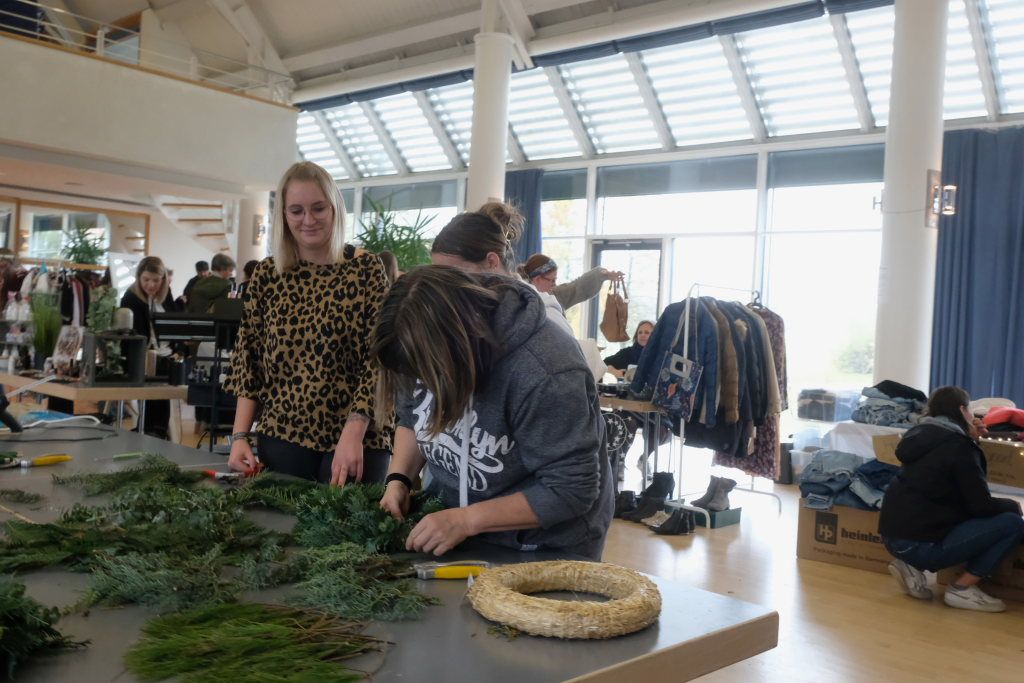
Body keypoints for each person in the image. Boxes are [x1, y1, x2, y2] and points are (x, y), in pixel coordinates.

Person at [375, 266, 614, 560]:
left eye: (429, 375)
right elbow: (412, 415)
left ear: (459, 345)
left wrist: (466, 520)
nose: (423, 382)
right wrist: (398, 480)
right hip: (458, 530)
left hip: (542, 547)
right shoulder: (416, 343)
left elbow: (570, 489)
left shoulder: (546, 370)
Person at [225, 161, 391, 485]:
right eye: (297, 211)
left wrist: (354, 429)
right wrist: (240, 435)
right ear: (284, 215)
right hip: (282, 434)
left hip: (359, 437)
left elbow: (380, 359)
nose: (308, 220)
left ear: (334, 208)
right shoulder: (267, 274)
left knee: (349, 519)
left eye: (318, 208)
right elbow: (249, 360)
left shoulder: (366, 269)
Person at [879, 386, 1024, 612]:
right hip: (920, 543)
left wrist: (970, 439)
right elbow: (981, 506)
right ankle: (961, 589)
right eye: (970, 411)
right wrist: (1013, 505)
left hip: (891, 536)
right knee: (1012, 523)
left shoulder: (917, 435)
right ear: (962, 410)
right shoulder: (959, 447)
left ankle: (911, 566)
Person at [430, 202, 573, 337]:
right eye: (440, 276)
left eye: (455, 274)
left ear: (491, 261)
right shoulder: (467, 314)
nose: (446, 287)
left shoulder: (549, 319)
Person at [120, 256, 181, 440]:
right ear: (139, 277)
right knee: (151, 401)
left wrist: (178, 349)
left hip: (166, 356)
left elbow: (174, 322)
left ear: (163, 279)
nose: (151, 285)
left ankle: (158, 435)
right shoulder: (130, 298)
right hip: (142, 359)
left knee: (162, 401)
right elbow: (131, 336)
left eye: (156, 280)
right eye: (146, 280)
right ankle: (150, 434)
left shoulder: (166, 294)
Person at [520, 253, 624, 311]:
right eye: (552, 280)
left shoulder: (555, 295)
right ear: (537, 279)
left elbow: (578, 286)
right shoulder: (518, 300)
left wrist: (604, 274)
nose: (554, 284)